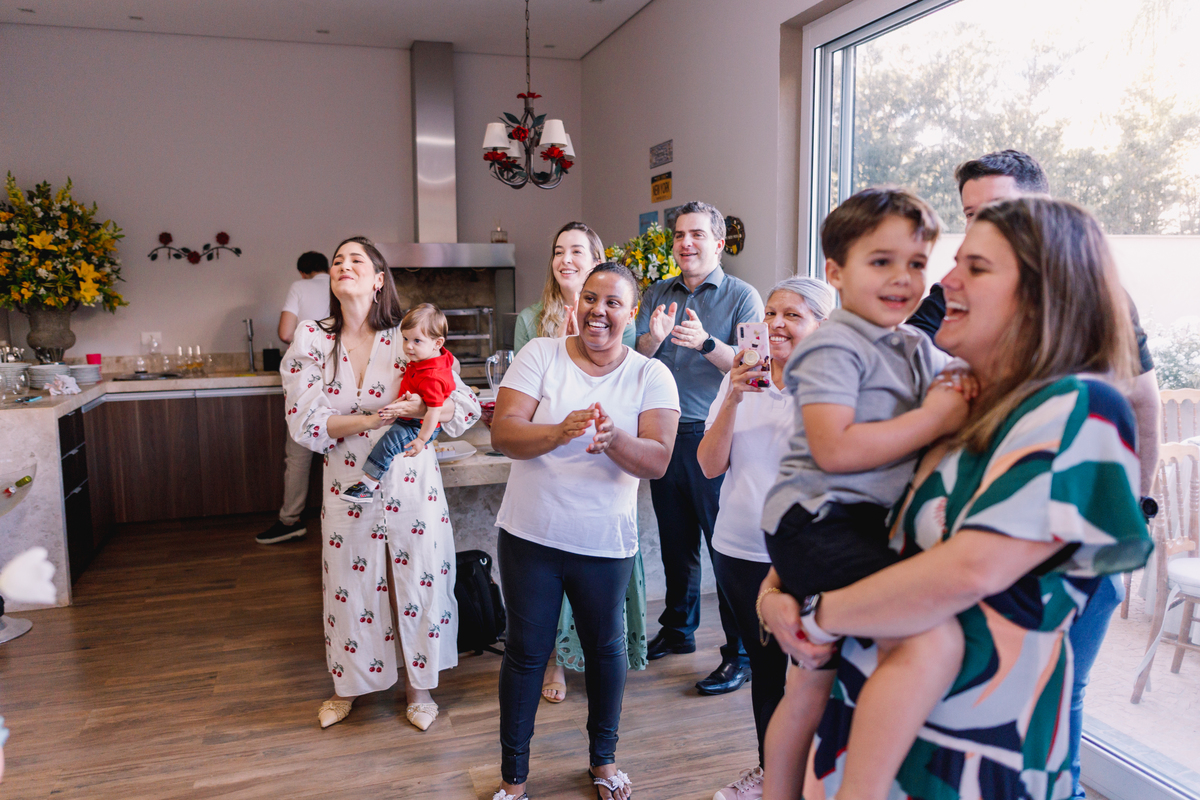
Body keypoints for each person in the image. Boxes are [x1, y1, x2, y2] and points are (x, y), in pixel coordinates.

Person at [760, 197, 1153, 800]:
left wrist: (816, 613)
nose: (942, 281)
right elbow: (858, 514)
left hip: (969, 755)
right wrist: (775, 590)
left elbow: (970, 569)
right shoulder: (957, 408)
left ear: (1042, 294)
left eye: (976, 267)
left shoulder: (1079, 408)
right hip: (864, 730)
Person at [906, 149, 1162, 799]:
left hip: (1025, 616)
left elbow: (1142, 399)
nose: (957, 272)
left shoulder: (1080, 400)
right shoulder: (949, 312)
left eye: (997, 214)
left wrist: (1138, 503)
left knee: (1055, 696)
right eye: (970, 219)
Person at [754, 189, 972, 800]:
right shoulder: (834, 345)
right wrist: (935, 417)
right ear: (836, 273)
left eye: (916, 263)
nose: (902, 277)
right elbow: (835, 449)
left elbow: (949, 401)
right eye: (881, 261)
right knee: (929, 633)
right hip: (813, 521)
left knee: (808, 685)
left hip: (858, 521)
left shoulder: (914, 347)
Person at [490, 263, 681, 800]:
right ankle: (514, 779)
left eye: (613, 302)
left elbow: (658, 460)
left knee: (604, 649)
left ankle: (603, 762)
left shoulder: (650, 375)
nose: (599, 311)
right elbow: (505, 433)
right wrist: (559, 431)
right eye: (590, 299)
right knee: (527, 653)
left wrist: (613, 438)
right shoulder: (541, 355)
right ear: (576, 306)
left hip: (604, 543)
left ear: (632, 311)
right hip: (531, 535)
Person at [280, 236, 481, 732]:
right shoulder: (313, 338)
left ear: (378, 280)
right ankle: (347, 685)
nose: (343, 266)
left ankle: (421, 689)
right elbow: (303, 421)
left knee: (419, 579)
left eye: (357, 260)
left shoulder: (408, 334)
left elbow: (466, 407)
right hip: (347, 481)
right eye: (337, 261)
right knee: (348, 582)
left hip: (412, 483)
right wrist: (374, 419)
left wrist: (427, 409)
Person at [696, 277, 836, 800]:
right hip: (738, 548)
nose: (777, 324)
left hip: (805, 558)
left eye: (793, 316)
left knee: (810, 673)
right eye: (771, 313)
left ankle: (814, 779)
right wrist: (732, 397)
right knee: (766, 670)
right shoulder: (740, 381)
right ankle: (770, 773)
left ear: (822, 327)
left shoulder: (831, 391)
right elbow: (709, 466)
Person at [512, 222, 645, 706]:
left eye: (576, 251)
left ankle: (595, 682)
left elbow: (634, 378)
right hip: (542, 499)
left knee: (601, 622)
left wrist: (613, 436)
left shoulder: (623, 328)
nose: (564, 259)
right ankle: (556, 662)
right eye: (557, 250)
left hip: (604, 501)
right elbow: (513, 420)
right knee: (540, 602)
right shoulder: (533, 323)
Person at [637, 200, 764, 696]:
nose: (686, 243)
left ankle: (740, 655)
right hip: (663, 433)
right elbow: (637, 356)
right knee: (676, 543)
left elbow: (754, 365)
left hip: (714, 434)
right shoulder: (654, 293)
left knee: (722, 547)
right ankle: (678, 630)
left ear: (718, 243)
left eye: (696, 235)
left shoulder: (742, 296)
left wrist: (707, 344)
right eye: (679, 236)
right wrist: (654, 338)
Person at [341, 304, 455, 501]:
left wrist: (421, 439)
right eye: (405, 339)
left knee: (389, 442)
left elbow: (434, 412)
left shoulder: (432, 376)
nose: (408, 346)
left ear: (437, 343)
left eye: (417, 341)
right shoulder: (427, 357)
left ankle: (367, 485)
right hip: (409, 418)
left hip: (419, 425)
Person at [257, 250, 330, 544]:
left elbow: (286, 333)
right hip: (345, 373)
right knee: (343, 447)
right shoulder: (343, 284)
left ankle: (291, 520)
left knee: (299, 451)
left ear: (303, 272)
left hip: (309, 379)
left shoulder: (300, 287)